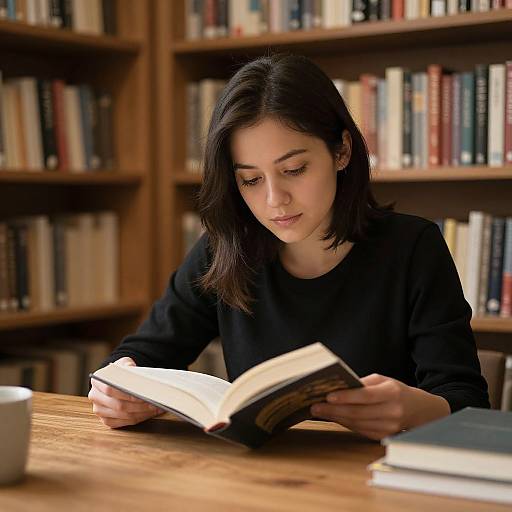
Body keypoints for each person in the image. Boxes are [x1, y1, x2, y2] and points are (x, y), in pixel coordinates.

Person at [88, 54, 489, 441]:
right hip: (258, 483)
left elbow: (469, 404)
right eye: (250, 179)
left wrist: (417, 411)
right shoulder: (225, 250)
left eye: (294, 170)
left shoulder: (414, 249)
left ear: (342, 151)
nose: (274, 199)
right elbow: (138, 356)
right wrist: (116, 391)